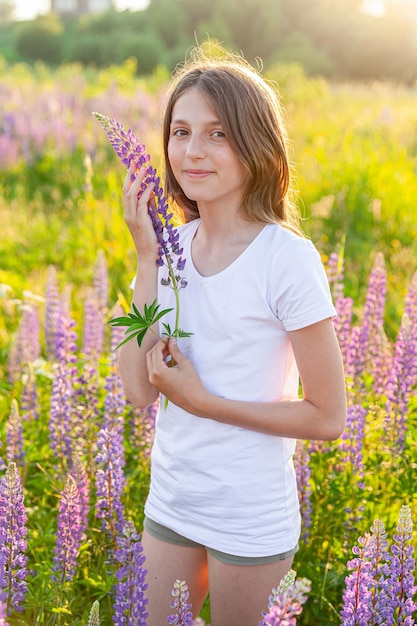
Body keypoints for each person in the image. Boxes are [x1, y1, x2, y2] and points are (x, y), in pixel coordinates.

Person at [118, 45, 346, 626]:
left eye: (218, 134)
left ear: (257, 146)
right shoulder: (172, 252)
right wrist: (146, 256)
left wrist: (204, 404)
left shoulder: (285, 259)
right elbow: (138, 393)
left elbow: (327, 417)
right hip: (171, 500)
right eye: (181, 131)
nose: (192, 152)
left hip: (248, 516)